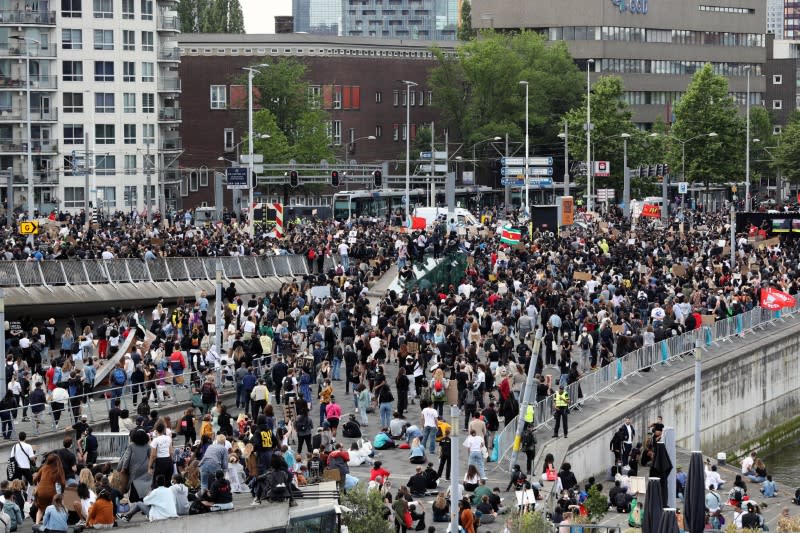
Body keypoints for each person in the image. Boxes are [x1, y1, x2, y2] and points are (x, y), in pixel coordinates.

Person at [33, 453, 66, 527]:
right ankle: (52, 525)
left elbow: (35, 479)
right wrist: (62, 492)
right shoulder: (58, 469)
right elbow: (63, 483)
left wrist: (37, 485)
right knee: (54, 508)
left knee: (40, 509)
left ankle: (37, 524)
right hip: (51, 493)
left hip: (40, 492)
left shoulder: (43, 467)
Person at [147, 422, 173, 488]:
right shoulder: (169, 438)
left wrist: (150, 466)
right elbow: (171, 452)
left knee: (157, 483)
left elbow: (153, 455)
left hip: (160, 462)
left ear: (156, 430)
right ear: (164, 429)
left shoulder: (155, 440)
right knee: (167, 482)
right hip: (169, 461)